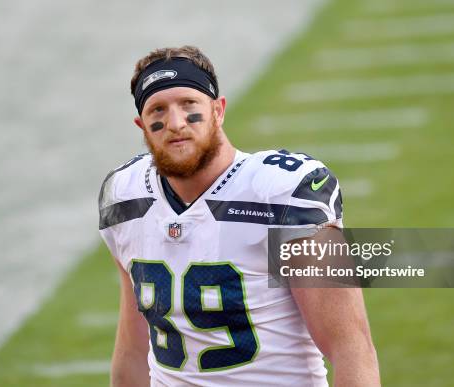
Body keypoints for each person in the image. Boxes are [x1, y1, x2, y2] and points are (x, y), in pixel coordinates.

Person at [98, 45, 380, 387]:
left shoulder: (282, 193)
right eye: (159, 109)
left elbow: (351, 347)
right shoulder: (126, 196)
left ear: (218, 111)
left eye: (189, 105)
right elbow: (133, 349)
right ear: (142, 125)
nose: (175, 123)